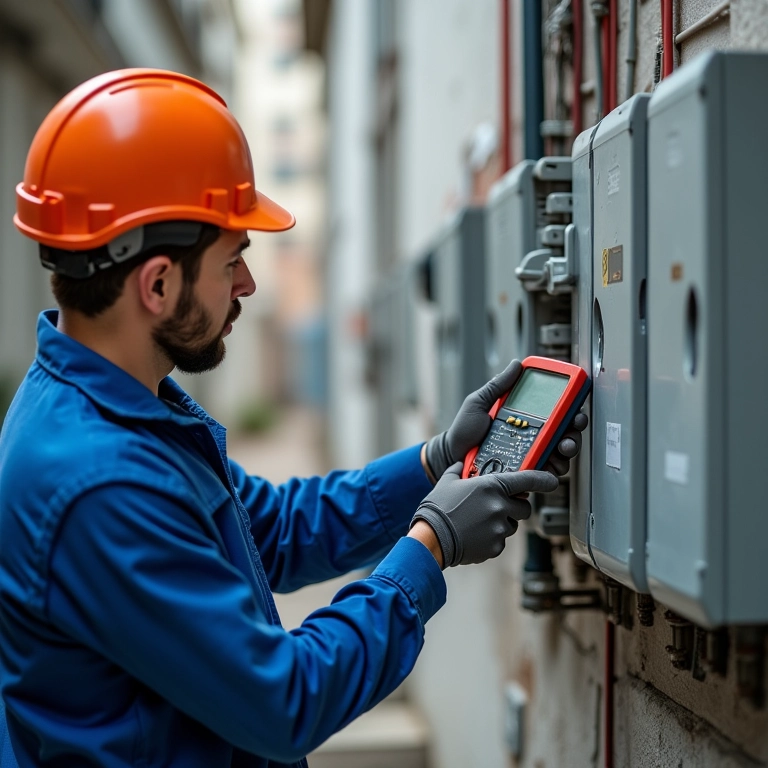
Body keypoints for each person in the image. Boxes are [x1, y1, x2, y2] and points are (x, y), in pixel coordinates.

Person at [0, 69, 585, 768]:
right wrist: (430, 545)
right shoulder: (98, 483)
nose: (248, 284)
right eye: (233, 261)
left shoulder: (120, 410)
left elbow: (270, 530)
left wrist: (433, 462)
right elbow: (284, 700)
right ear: (156, 284)